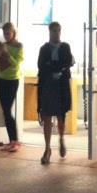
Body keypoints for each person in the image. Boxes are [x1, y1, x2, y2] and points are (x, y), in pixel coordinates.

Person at [37, 21, 74, 165]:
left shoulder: (65, 46)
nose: (56, 33)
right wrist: (57, 67)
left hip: (61, 86)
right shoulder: (44, 48)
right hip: (47, 85)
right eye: (54, 31)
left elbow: (67, 61)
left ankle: (61, 138)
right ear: (49, 32)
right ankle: (47, 148)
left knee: (61, 115)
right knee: (46, 116)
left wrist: (54, 66)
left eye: (58, 30)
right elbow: (41, 65)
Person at [0, 21, 23, 151]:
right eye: (4, 33)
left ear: (13, 32)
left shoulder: (19, 46)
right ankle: (12, 140)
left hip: (12, 80)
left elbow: (15, 64)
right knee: (5, 111)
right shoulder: (2, 45)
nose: (6, 35)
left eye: (8, 32)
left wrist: (6, 53)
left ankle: (15, 140)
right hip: (1, 79)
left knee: (7, 110)